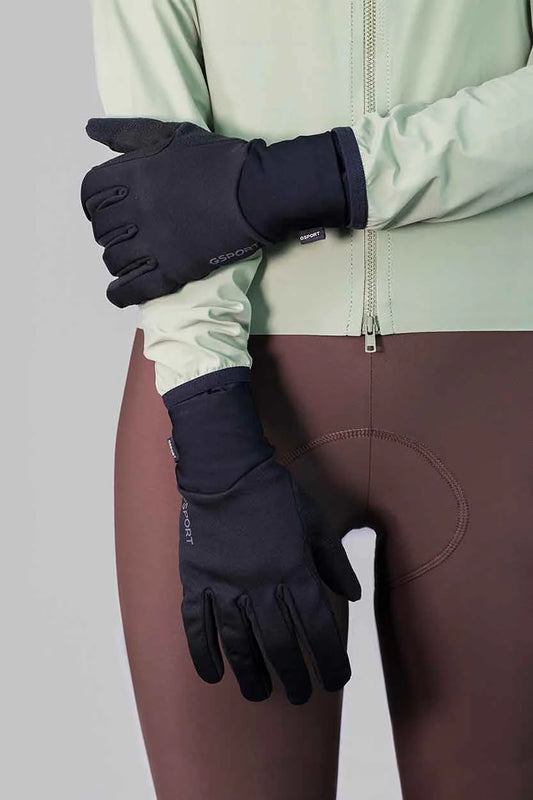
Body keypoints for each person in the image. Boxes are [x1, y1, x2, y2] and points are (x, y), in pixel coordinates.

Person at [81, 1, 533, 798]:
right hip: (221, 393)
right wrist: (212, 443)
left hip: (499, 395)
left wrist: (307, 179)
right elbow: (160, 181)